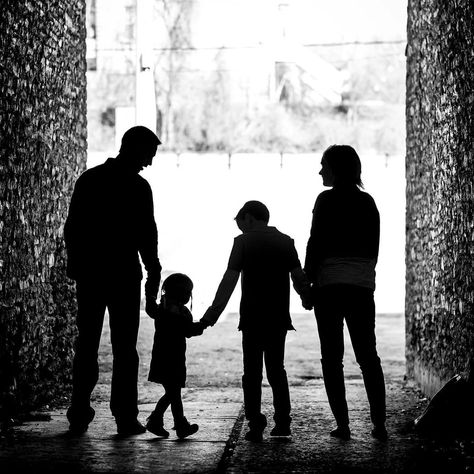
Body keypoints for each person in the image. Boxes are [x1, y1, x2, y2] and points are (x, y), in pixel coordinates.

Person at [64, 126, 162, 435]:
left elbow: (73, 228)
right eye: (148, 154)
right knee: (125, 349)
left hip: (91, 273)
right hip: (123, 274)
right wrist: (152, 272)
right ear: (135, 149)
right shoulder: (138, 187)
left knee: (87, 344)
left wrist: (76, 265)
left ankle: (79, 412)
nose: (149, 162)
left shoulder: (90, 179)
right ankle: (124, 417)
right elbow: (148, 236)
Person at [201, 201, 311, 442]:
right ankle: (283, 422)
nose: (240, 228)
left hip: (252, 318)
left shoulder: (242, 242)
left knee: (251, 373)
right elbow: (298, 275)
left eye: (241, 222)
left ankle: (255, 423)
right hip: (278, 318)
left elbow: (229, 280)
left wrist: (211, 316)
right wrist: (306, 297)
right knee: (276, 371)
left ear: (249, 218)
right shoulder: (286, 241)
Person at [304, 144, 387, 441]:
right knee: (368, 357)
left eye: (324, 165)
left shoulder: (325, 200)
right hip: (361, 287)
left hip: (329, 286)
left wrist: (307, 284)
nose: (320, 170)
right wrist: (364, 275)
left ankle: (343, 425)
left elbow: (316, 243)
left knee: (332, 358)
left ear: (336, 168)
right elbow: (374, 249)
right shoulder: (368, 202)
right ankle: (379, 425)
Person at [146, 273, 204, 439]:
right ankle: (158, 420)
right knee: (173, 393)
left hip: (161, 357)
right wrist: (201, 325)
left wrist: (149, 295)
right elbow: (187, 331)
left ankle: (178, 424)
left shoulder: (161, 308)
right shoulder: (181, 312)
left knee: (173, 393)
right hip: (174, 359)